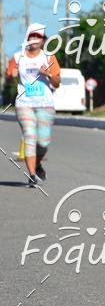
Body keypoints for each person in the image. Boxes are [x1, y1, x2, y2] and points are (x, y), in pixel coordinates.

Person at [6, 23, 61, 187]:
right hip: (24, 103)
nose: (35, 39)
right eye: (32, 36)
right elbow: (8, 78)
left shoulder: (48, 57)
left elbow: (57, 83)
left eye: (39, 36)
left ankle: (37, 165)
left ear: (43, 40)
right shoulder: (17, 57)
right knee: (29, 137)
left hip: (45, 104)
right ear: (27, 39)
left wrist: (48, 73)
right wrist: (11, 76)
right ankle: (31, 175)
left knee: (43, 142)